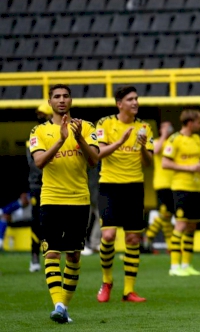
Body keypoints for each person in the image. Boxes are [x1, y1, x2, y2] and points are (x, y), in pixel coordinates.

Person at [29, 84, 100, 323]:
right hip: (51, 199)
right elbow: (39, 162)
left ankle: (63, 308)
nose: (61, 100)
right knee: (51, 252)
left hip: (79, 200)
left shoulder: (87, 127)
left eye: (66, 96)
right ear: (49, 102)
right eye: (56, 97)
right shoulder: (38, 131)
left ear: (71, 100)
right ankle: (58, 304)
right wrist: (60, 141)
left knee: (73, 256)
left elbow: (94, 160)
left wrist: (77, 136)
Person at [95, 86, 154, 303]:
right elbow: (98, 153)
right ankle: (107, 280)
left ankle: (128, 291)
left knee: (132, 238)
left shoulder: (145, 127)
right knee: (108, 236)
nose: (135, 103)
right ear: (119, 104)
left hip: (134, 187)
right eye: (130, 99)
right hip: (110, 186)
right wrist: (119, 142)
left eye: (136, 99)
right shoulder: (105, 123)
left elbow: (148, 163)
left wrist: (141, 148)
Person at [162, 110, 200, 276]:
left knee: (192, 226)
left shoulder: (196, 139)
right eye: (199, 122)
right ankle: (174, 266)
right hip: (181, 187)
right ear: (190, 122)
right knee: (180, 224)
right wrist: (187, 168)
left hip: (196, 188)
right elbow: (165, 163)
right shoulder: (174, 139)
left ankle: (186, 264)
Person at [27, 104, 54, 272]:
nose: (40, 116)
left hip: (55, 185)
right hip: (38, 185)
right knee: (36, 221)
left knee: (52, 222)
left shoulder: (56, 136)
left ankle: (51, 254)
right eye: (38, 114)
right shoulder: (33, 137)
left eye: (42, 114)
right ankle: (34, 255)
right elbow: (35, 164)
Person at [144, 121, 176, 254]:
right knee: (164, 213)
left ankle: (170, 245)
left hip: (174, 183)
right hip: (162, 183)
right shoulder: (157, 141)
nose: (168, 128)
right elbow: (155, 151)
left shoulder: (175, 141)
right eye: (165, 127)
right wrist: (164, 135)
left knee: (168, 215)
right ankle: (149, 237)